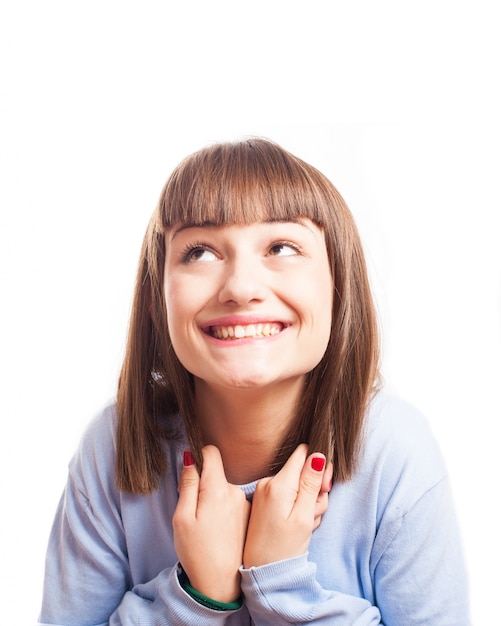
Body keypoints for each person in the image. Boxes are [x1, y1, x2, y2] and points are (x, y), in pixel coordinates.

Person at [38, 138, 470, 625]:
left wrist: (280, 585)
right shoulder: (110, 448)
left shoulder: (397, 453)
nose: (241, 288)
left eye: (281, 247)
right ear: (158, 295)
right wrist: (198, 595)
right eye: (199, 252)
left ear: (337, 284)